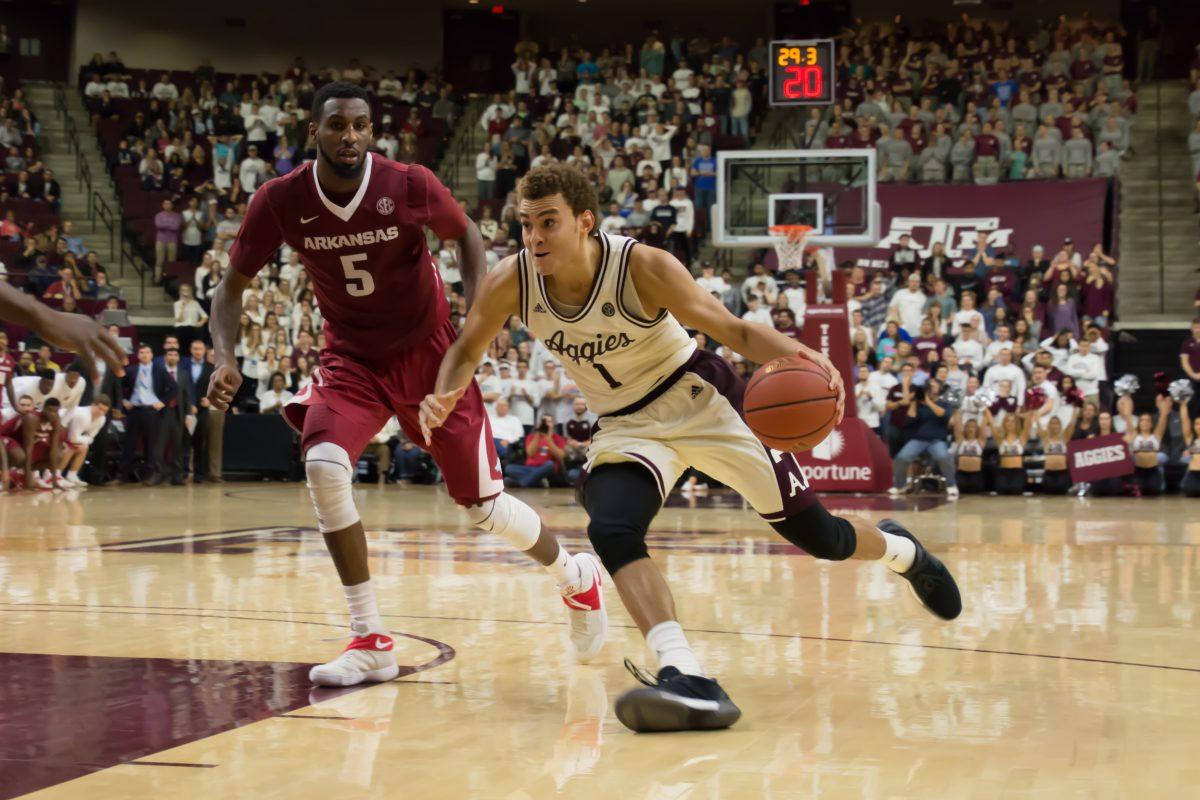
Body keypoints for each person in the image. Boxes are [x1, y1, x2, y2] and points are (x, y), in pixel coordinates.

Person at [421, 164, 961, 733]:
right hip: (627, 425)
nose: (533, 237)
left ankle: (903, 552)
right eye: (525, 224)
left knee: (822, 539)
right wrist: (443, 392)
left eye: (547, 223)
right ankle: (686, 674)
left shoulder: (642, 266)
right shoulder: (513, 279)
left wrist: (803, 356)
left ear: (585, 222)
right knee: (611, 528)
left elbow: (734, 331)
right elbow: (466, 347)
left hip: (704, 400)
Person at [205, 83, 604, 688]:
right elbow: (231, 285)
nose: (351, 136)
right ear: (313, 131)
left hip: (430, 355)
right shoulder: (280, 200)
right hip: (352, 359)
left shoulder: (409, 183)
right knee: (323, 466)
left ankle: (575, 575)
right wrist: (225, 355)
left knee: (482, 507)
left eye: (361, 126)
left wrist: (478, 318)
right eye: (338, 125)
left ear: (372, 132)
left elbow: (468, 234)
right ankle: (370, 639)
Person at [888, 378, 958, 499]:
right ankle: (900, 486)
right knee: (901, 457)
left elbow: (942, 414)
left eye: (934, 385)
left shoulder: (944, 403)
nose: (931, 388)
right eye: (929, 386)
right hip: (919, 439)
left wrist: (928, 401)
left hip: (937, 440)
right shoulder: (919, 403)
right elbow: (910, 418)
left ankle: (951, 485)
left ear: (939, 388)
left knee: (943, 456)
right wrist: (915, 401)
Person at [1122, 397, 1170, 496]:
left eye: (1147, 420)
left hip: (1153, 470)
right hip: (1139, 470)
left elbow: (1163, 418)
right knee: (1139, 492)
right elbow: (1128, 418)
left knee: (1153, 492)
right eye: (1142, 420)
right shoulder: (1135, 434)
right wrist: (1127, 402)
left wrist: (1163, 407)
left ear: (1151, 423)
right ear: (1139, 423)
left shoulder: (1156, 435)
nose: (1144, 422)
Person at [61, 394, 111, 487]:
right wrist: (82, 440)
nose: (101, 413)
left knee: (84, 447)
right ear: (93, 405)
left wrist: (82, 441)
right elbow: (73, 438)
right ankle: (57, 476)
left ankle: (72, 475)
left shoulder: (102, 419)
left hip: (68, 434)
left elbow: (91, 437)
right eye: (100, 409)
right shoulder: (83, 415)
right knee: (72, 447)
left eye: (105, 411)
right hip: (57, 429)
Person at [985, 407, 1031, 495]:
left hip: (1018, 471)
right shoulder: (1000, 439)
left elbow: (1028, 423)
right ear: (1004, 423)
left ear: (1016, 423)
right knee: (1001, 490)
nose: (1010, 423)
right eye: (1007, 421)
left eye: (1012, 421)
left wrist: (1029, 409)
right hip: (1003, 471)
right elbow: (991, 423)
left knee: (1016, 490)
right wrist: (985, 408)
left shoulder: (1021, 438)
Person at [1039, 408, 1079, 495]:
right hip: (1048, 473)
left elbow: (1072, 424)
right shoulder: (1045, 438)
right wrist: (1034, 410)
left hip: (1062, 474)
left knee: (1061, 496)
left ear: (1060, 425)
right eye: (1052, 423)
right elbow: (1038, 424)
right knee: (1048, 497)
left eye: (1056, 423)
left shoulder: (1064, 437)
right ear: (1049, 425)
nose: (1054, 425)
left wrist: (1075, 409)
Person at [952, 414, 986, 494]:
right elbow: (957, 426)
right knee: (962, 489)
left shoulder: (980, 441)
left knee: (975, 491)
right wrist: (958, 411)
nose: (970, 429)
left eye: (973, 427)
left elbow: (984, 425)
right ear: (965, 428)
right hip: (962, 474)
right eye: (968, 426)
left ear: (976, 429)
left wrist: (983, 411)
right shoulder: (961, 440)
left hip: (976, 475)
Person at [1181, 403, 1200, 497]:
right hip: (1193, 474)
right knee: (1191, 492)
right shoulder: (1190, 439)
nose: (1199, 426)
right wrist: (1183, 404)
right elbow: (1184, 421)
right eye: (1197, 424)